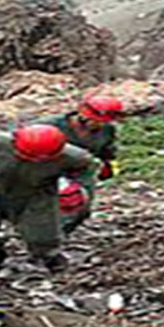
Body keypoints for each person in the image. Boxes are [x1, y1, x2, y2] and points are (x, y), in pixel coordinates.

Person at [0, 124, 94, 275]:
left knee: (43, 234)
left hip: (34, 196)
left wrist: (76, 187)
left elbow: (85, 169)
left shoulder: (73, 157)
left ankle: (50, 260)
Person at [40, 95, 125, 233]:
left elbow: (107, 150)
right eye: (95, 121)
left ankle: (59, 234)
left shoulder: (107, 130)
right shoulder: (49, 126)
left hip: (81, 170)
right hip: (48, 168)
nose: (99, 125)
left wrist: (109, 165)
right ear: (82, 114)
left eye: (103, 122)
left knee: (80, 207)